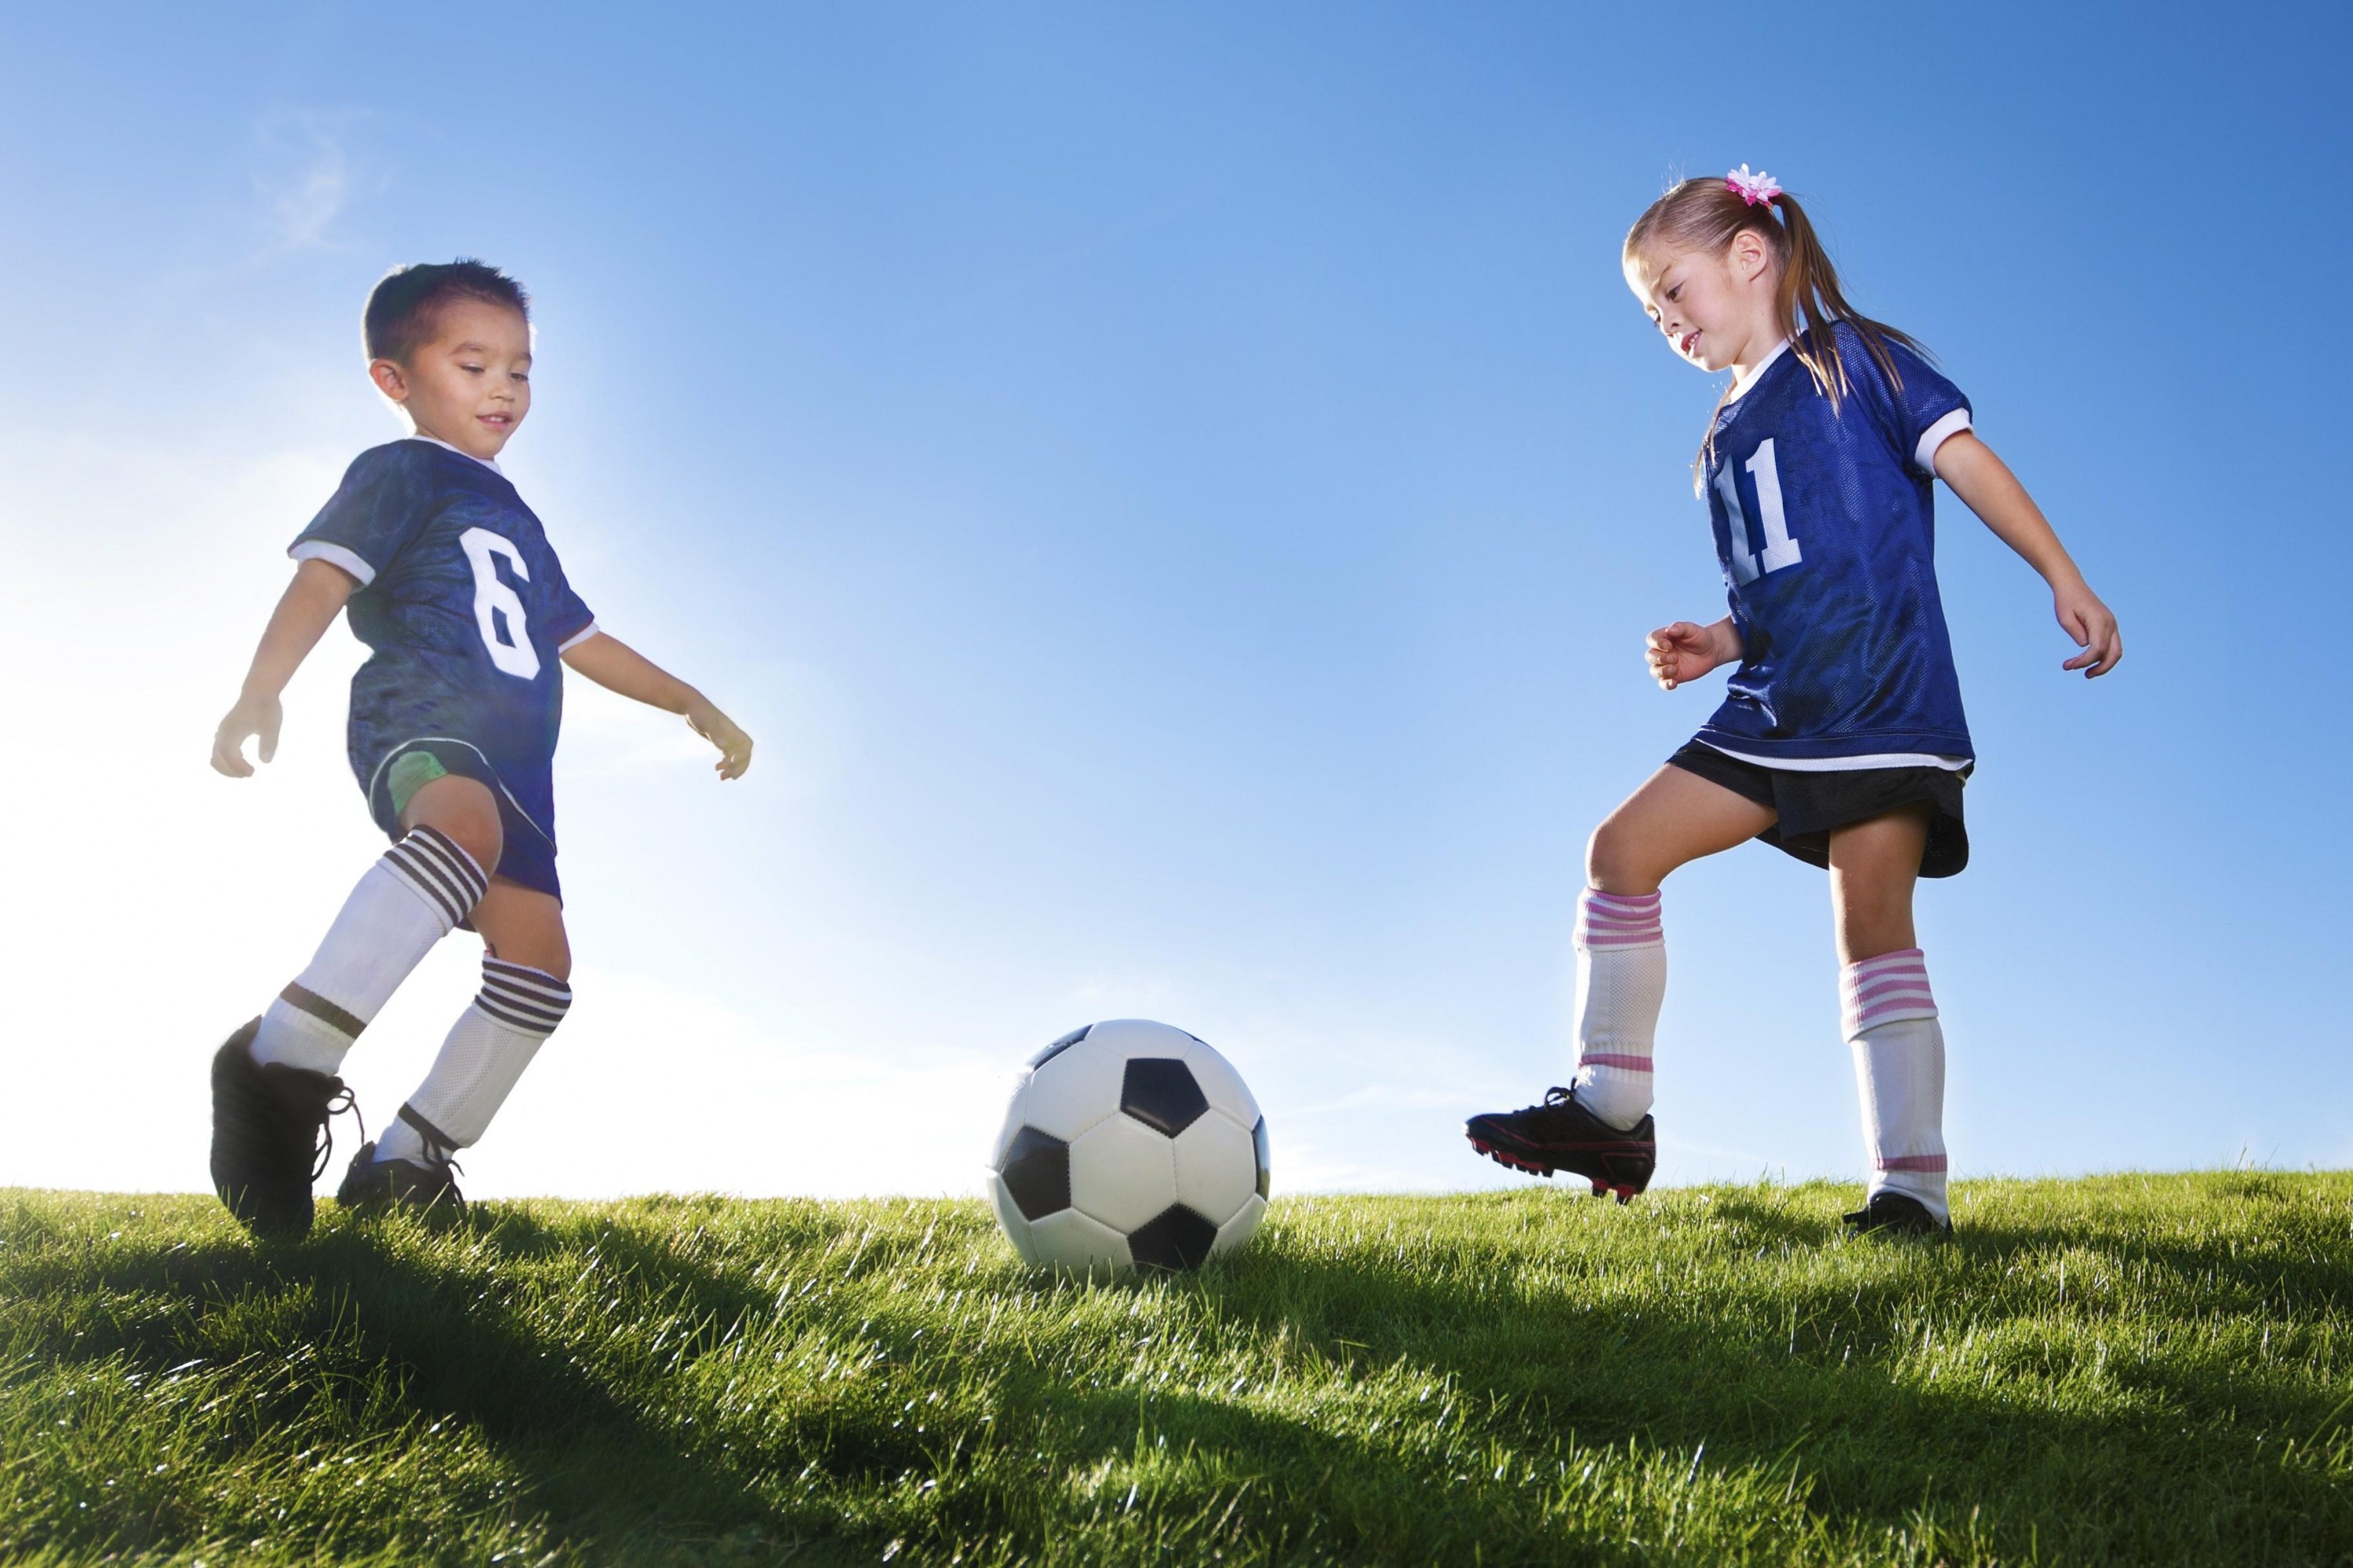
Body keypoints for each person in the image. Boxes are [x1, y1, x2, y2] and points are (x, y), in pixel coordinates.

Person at [1464, 168, 2121, 1235]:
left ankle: (1912, 1190)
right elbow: (1776, 583)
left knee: (1871, 928)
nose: (1667, 320)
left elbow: (1966, 461)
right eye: (1650, 311)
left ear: (1750, 255)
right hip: (1775, 702)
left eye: (1675, 289)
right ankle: (1610, 1111)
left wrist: (2064, 574)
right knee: (1619, 851)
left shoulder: (1850, 364)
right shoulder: (1717, 443)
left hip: (1879, 694)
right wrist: (1720, 640)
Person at [208, 260, 754, 1237]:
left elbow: (581, 641)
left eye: (521, 368)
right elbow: (324, 582)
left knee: (541, 962)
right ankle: (277, 1066)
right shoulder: (400, 470)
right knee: (457, 830)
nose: (504, 387)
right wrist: (261, 690)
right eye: (473, 364)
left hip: (520, 761)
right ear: (397, 380)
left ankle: (407, 1161)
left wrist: (689, 700)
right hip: (422, 710)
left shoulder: (518, 518)